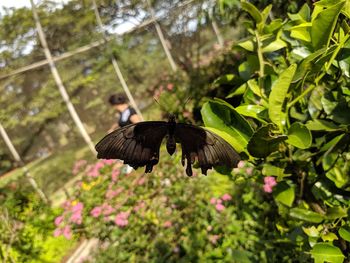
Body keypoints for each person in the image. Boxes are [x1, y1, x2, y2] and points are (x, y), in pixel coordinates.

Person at [107, 93, 141, 174]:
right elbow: (121, 122)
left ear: (115, 105)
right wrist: (112, 128)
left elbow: (139, 124)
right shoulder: (123, 113)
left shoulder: (130, 111)